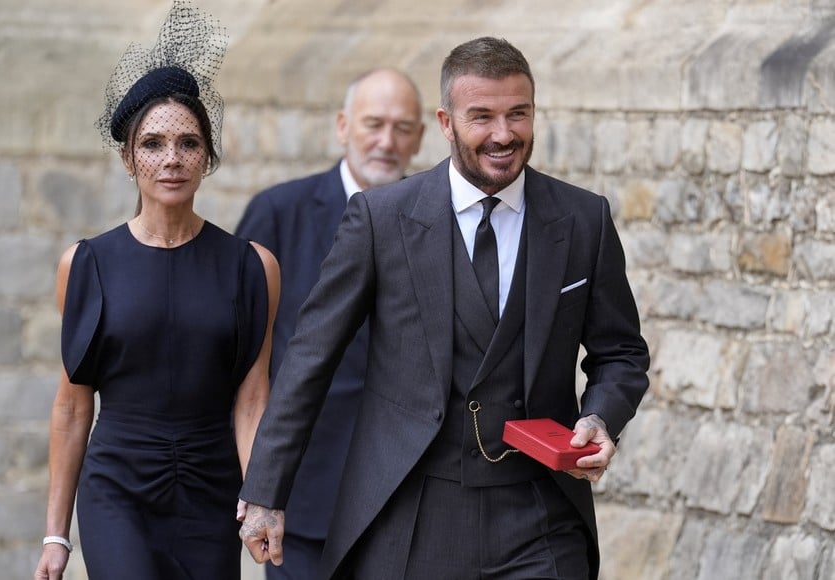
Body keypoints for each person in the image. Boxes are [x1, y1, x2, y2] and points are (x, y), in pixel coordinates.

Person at [239, 36, 650, 580]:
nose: (504, 134)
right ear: (445, 122)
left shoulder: (582, 219)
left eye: (518, 114)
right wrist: (266, 490)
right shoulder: (380, 219)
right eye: (482, 116)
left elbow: (620, 351)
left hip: (540, 515)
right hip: (411, 510)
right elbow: (310, 357)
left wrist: (600, 415)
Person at [33, 2, 280, 579]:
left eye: (189, 143)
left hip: (212, 488)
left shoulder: (252, 266)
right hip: (116, 487)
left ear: (207, 157)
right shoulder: (85, 264)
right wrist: (55, 535)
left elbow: (252, 399)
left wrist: (262, 498)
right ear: (127, 157)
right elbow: (72, 406)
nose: (172, 159)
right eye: (153, 143)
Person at [233, 66, 424, 580]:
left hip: (407, 493)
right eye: (373, 124)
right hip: (305, 492)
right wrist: (259, 480)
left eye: (402, 127)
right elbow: (241, 359)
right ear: (343, 126)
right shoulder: (277, 213)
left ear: (422, 137)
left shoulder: (439, 221)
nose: (387, 141)